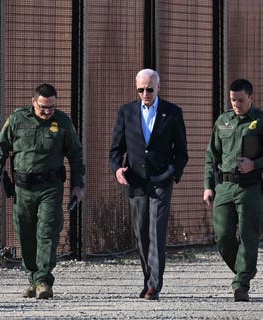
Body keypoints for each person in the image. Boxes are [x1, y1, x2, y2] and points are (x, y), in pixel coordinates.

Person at [0, 83, 85, 299]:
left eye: (51, 107)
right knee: (25, 233)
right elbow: (0, 150)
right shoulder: (17, 119)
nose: (47, 111)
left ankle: (43, 280)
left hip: (50, 187)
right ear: (33, 102)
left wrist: (78, 185)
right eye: (43, 107)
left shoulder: (62, 122)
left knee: (47, 232)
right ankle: (33, 277)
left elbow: (76, 155)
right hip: (23, 189)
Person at [109, 68, 189, 300]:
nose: (145, 93)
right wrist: (117, 169)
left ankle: (154, 284)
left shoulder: (172, 112)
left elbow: (181, 150)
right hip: (135, 181)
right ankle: (147, 278)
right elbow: (116, 149)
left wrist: (174, 172)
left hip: (161, 179)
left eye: (149, 89)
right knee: (141, 231)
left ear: (158, 87)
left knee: (157, 230)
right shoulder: (126, 112)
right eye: (141, 89)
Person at [202, 78, 263, 302]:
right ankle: (244, 269)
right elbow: (212, 156)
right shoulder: (223, 122)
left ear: (251, 98)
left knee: (249, 235)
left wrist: (255, 165)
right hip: (225, 186)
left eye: (240, 100)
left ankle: (241, 283)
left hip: (251, 186)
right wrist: (208, 186)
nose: (236, 104)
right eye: (232, 100)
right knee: (222, 235)